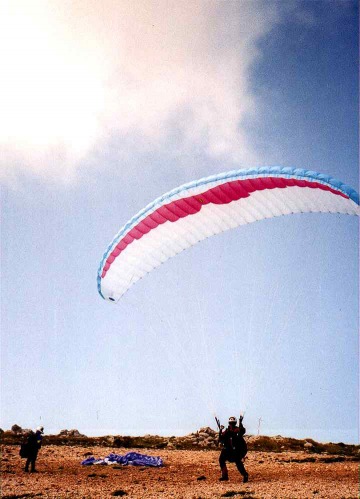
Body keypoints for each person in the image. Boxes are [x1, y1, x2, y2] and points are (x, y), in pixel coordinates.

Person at [218, 416, 248, 482]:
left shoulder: (238, 430)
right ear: (229, 423)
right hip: (230, 450)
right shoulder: (227, 431)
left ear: (235, 423)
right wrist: (220, 430)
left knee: (238, 461)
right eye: (230, 423)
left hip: (238, 450)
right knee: (221, 459)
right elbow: (221, 439)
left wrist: (241, 423)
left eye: (233, 423)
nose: (232, 425)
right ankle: (225, 476)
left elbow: (242, 431)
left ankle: (245, 475)